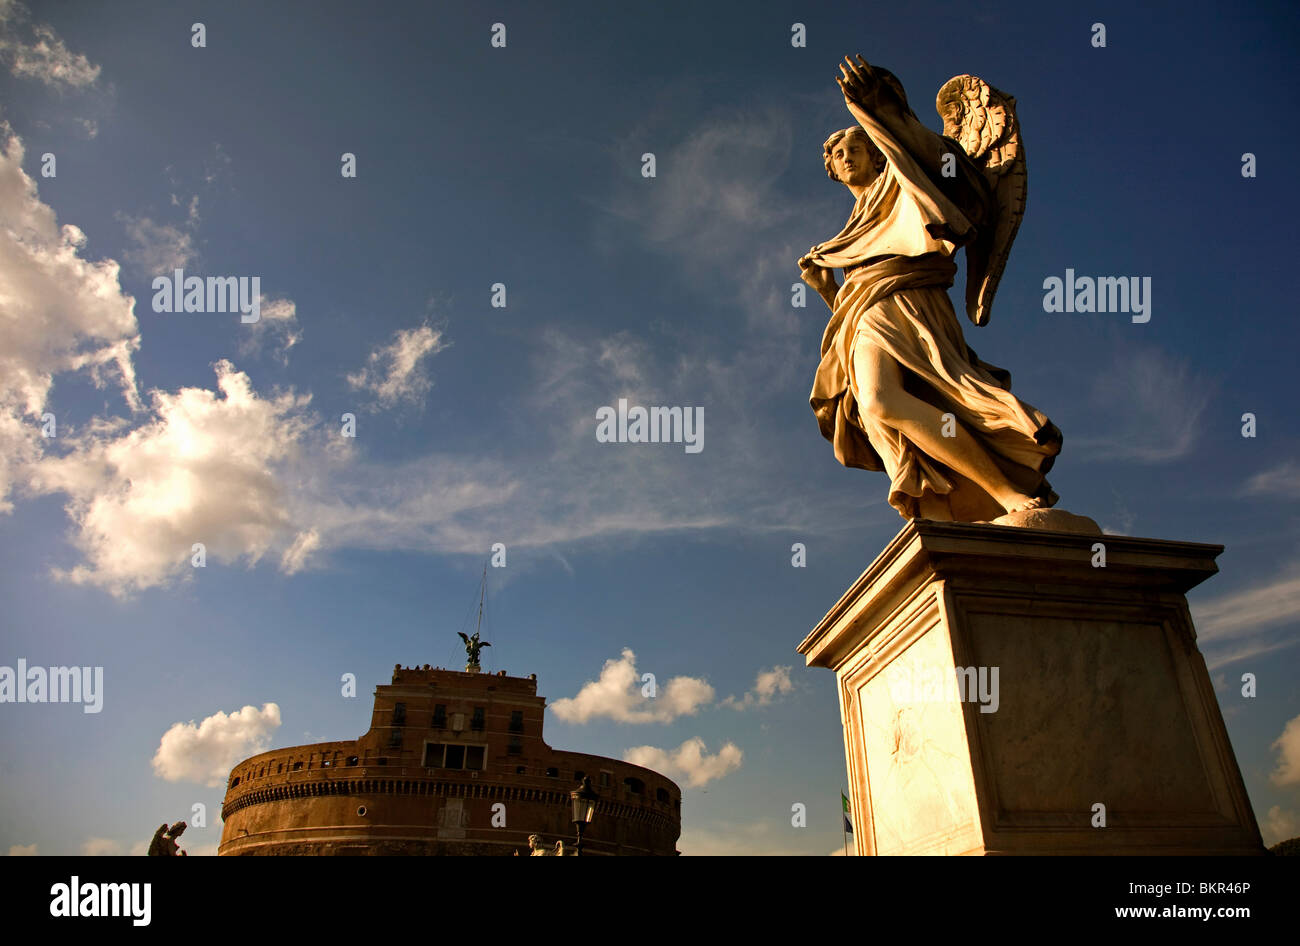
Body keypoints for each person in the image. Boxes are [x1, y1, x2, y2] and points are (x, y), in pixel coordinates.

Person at [800, 57, 1061, 522]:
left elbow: (947, 171)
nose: (843, 155)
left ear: (880, 149)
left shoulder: (907, 180)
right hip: (866, 312)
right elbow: (853, 299)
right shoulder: (852, 227)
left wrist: (880, 112)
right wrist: (827, 290)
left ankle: (1004, 491)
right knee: (879, 411)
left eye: (854, 145)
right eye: (836, 154)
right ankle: (948, 510)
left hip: (911, 302)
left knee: (889, 399)